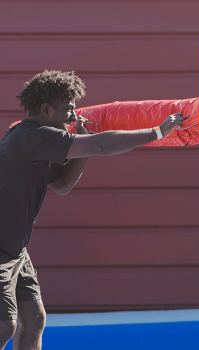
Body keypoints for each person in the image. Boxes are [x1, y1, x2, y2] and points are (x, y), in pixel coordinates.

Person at [0, 70, 184, 350]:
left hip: (15, 250)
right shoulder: (32, 137)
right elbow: (102, 144)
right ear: (46, 110)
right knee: (5, 324)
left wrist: (81, 142)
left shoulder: (40, 142)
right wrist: (158, 132)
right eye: (69, 110)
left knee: (34, 320)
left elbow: (62, 185)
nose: (73, 117)